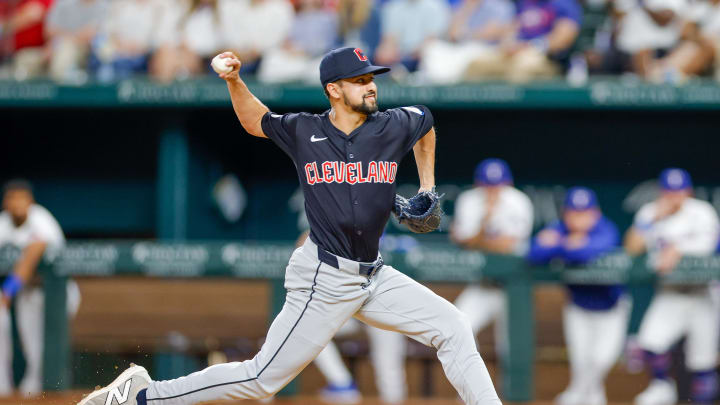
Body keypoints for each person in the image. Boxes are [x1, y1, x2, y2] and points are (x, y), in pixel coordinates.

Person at [78, 47, 501, 405]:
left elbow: (425, 122)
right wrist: (235, 82)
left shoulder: (391, 125)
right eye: (359, 80)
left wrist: (426, 184)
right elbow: (254, 120)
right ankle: (143, 396)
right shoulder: (305, 130)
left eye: (371, 77)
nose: (371, 85)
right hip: (324, 277)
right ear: (334, 90)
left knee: (453, 326)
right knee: (261, 379)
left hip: (374, 274)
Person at [624, 168, 720, 405]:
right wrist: (650, 220)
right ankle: (661, 385)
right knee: (650, 343)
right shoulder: (650, 212)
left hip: (702, 294)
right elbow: (632, 248)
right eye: (669, 191)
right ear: (662, 191)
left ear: (687, 191)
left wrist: (679, 250)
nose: (674, 196)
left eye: (679, 191)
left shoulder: (701, 212)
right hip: (670, 294)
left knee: (703, 363)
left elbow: (710, 246)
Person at [528, 187, 627, 405]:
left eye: (585, 212)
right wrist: (568, 243)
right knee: (581, 359)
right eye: (574, 212)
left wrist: (558, 245)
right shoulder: (562, 229)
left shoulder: (605, 228)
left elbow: (589, 251)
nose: (579, 218)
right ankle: (591, 397)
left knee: (601, 360)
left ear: (596, 213)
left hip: (610, 307)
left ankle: (577, 393)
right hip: (578, 305)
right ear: (565, 213)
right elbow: (533, 252)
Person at [450, 159, 533, 371]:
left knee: (509, 347)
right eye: (488, 185)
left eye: (498, 185)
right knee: (458, 327)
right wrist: (485, 223)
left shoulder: (519, 201)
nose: (493, 190)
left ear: (508, 183)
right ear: (479, 184)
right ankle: (472, 388)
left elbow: (507, 245)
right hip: (483, 285)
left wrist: (478, 239)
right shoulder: (469, 200)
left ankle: (508, 398)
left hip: (513, 287)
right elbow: (463, 243)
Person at [0, 179, 80, 397]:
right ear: (5, 202)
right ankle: (15, 391)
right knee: (32, 350)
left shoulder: (40, 218)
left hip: (58, 292)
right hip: (27, 293)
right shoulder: (3, 223)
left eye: (21, 198)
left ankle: (53, 395)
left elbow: (32, 254)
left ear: (30, 201)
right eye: (12, 198)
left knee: (49, 349)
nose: (17, 203)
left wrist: (8, 290)